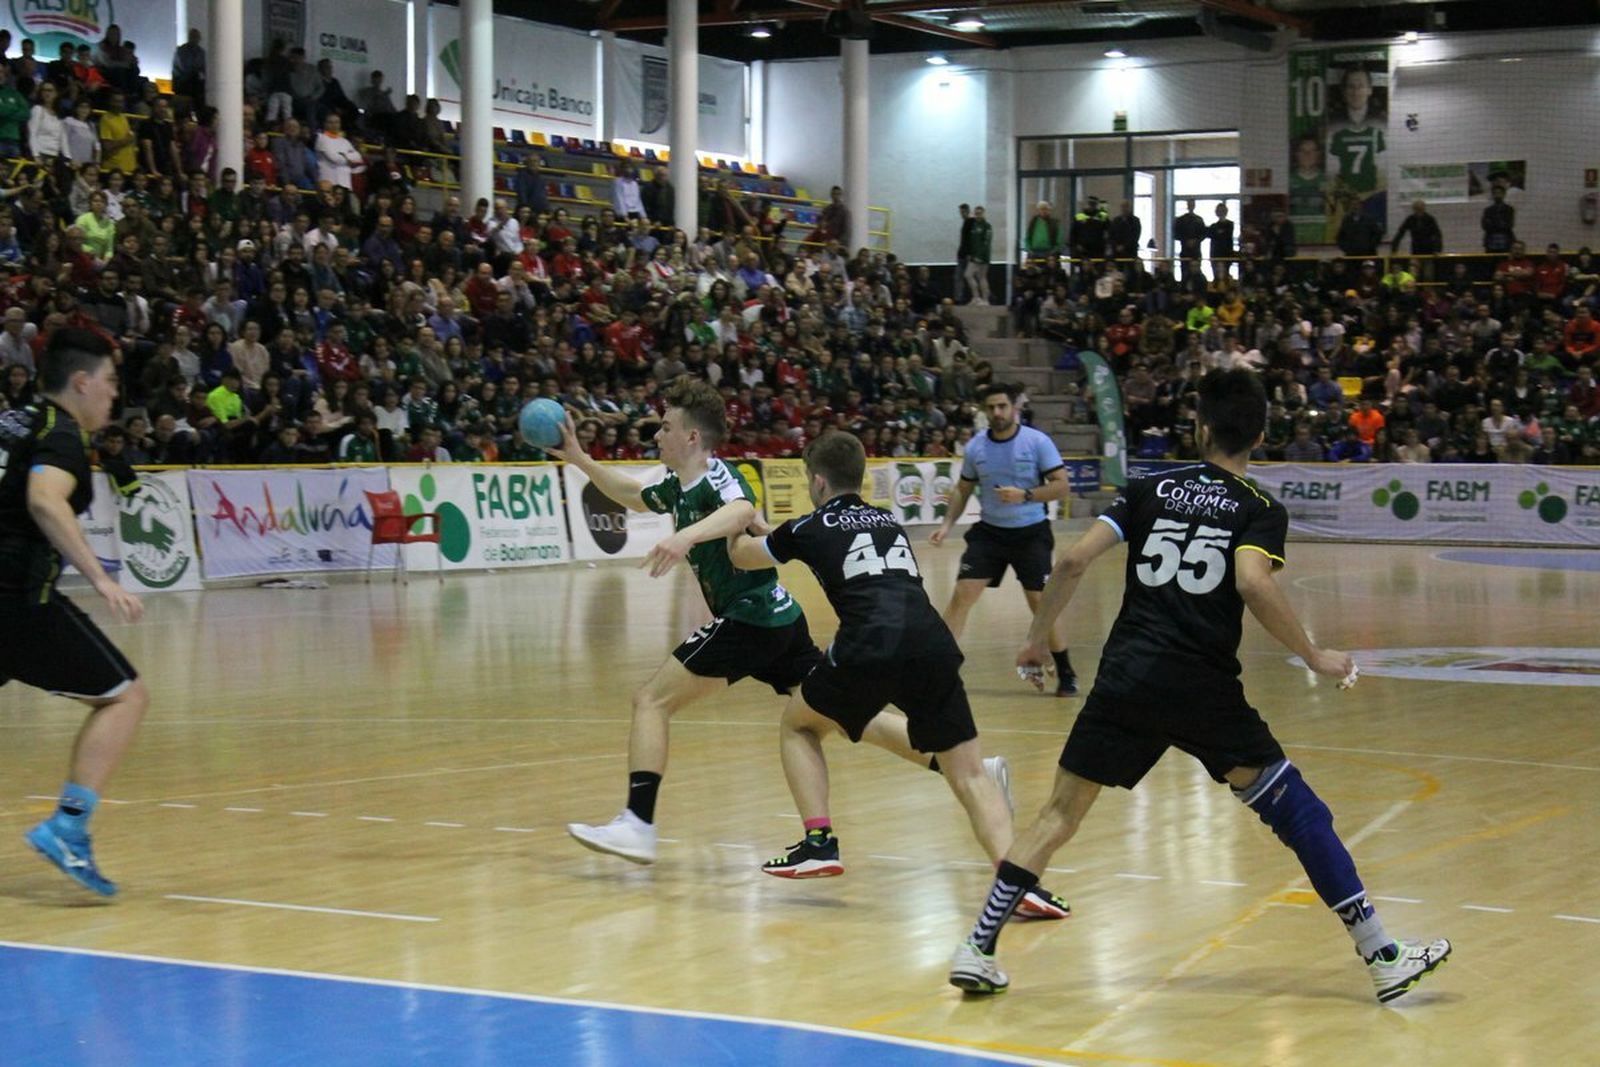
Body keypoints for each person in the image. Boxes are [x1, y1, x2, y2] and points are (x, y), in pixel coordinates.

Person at [947, 368, 1451, 1005]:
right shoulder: (1260, 509)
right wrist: (1314, 654)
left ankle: (978, 946)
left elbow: (1072, 562)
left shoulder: (1149, 487)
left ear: (1200, 427)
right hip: (1201, 688)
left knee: (1055, 817)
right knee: (1299, 812)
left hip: (1126, 678)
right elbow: (1253, 582)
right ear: (1261, 435)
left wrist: (1036, 637)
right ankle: (1381, 954)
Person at [723, 431, 1070, 920]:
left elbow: (743, 556)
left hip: (870, 643)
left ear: (817, 481)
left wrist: (737, 523)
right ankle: (1017, 882)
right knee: (969, 772)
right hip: (931, 640)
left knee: (799, 724)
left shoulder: (808, 526)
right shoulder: (888, 519)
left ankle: (819, 842)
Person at [554, 378, 821, 864]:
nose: (656, 435)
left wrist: (684, 539)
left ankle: (637, 824)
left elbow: (742, 509)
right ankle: (952, 758)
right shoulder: (676, 485)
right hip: (780, 619)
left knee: (650, 701)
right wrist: (578, 458)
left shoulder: (722, 477)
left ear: (692, 437)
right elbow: (634, 496)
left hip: (751, 618)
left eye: (665, 426)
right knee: (838, 708)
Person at [0, 329, 149, 897]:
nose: (114, 396)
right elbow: (44, 500)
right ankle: (68, 826)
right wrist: (100, 578)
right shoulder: (60, 435)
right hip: (16, 600)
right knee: (125, 696)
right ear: (81, 382)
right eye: (110, 383)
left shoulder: (19, 421)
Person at [928, 384, 1076, 696]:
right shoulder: (976, 448)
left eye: (1002, 407)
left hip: (1031, 533)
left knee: (1041, 603)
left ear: (1014, 409)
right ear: (984, 411)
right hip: (990, 533)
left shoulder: (1037, 442)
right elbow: (963, 489)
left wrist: (1025, 495)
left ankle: (1066, 671)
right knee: (962, 594)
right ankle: (941, 669)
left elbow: (1062, 487)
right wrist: (946, 524)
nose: (997, 413)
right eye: (991, 408)